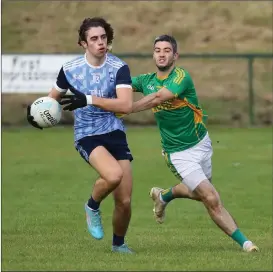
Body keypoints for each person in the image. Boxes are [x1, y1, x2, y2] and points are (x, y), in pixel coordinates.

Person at [130, 34, 259, 253]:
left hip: (202, 144)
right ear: (153, 54)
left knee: (199, 193)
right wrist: (91, 96)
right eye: (157, 50)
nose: (161, 54)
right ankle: (246, 244)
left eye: (167, 50)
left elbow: (158, 98)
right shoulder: (145, 81)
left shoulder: (181, 77)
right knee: (211, 198)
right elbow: (118, 85)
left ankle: (163, 196)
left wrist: (125, 109)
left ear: (175, 55)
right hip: (178, 154)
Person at [27, 17, 134, 254]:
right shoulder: (70, 69)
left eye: (103, 37)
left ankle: (119, 245)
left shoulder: (119, 67)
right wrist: (38, 114)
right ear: (83, 44)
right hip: (87, 134)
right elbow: (51, 99)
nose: (100, 43)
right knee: (113, 175)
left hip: (114, 131)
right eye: (94, 39)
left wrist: (88, 99)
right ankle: (92, 206)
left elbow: (125, 105)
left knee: (124, 201)